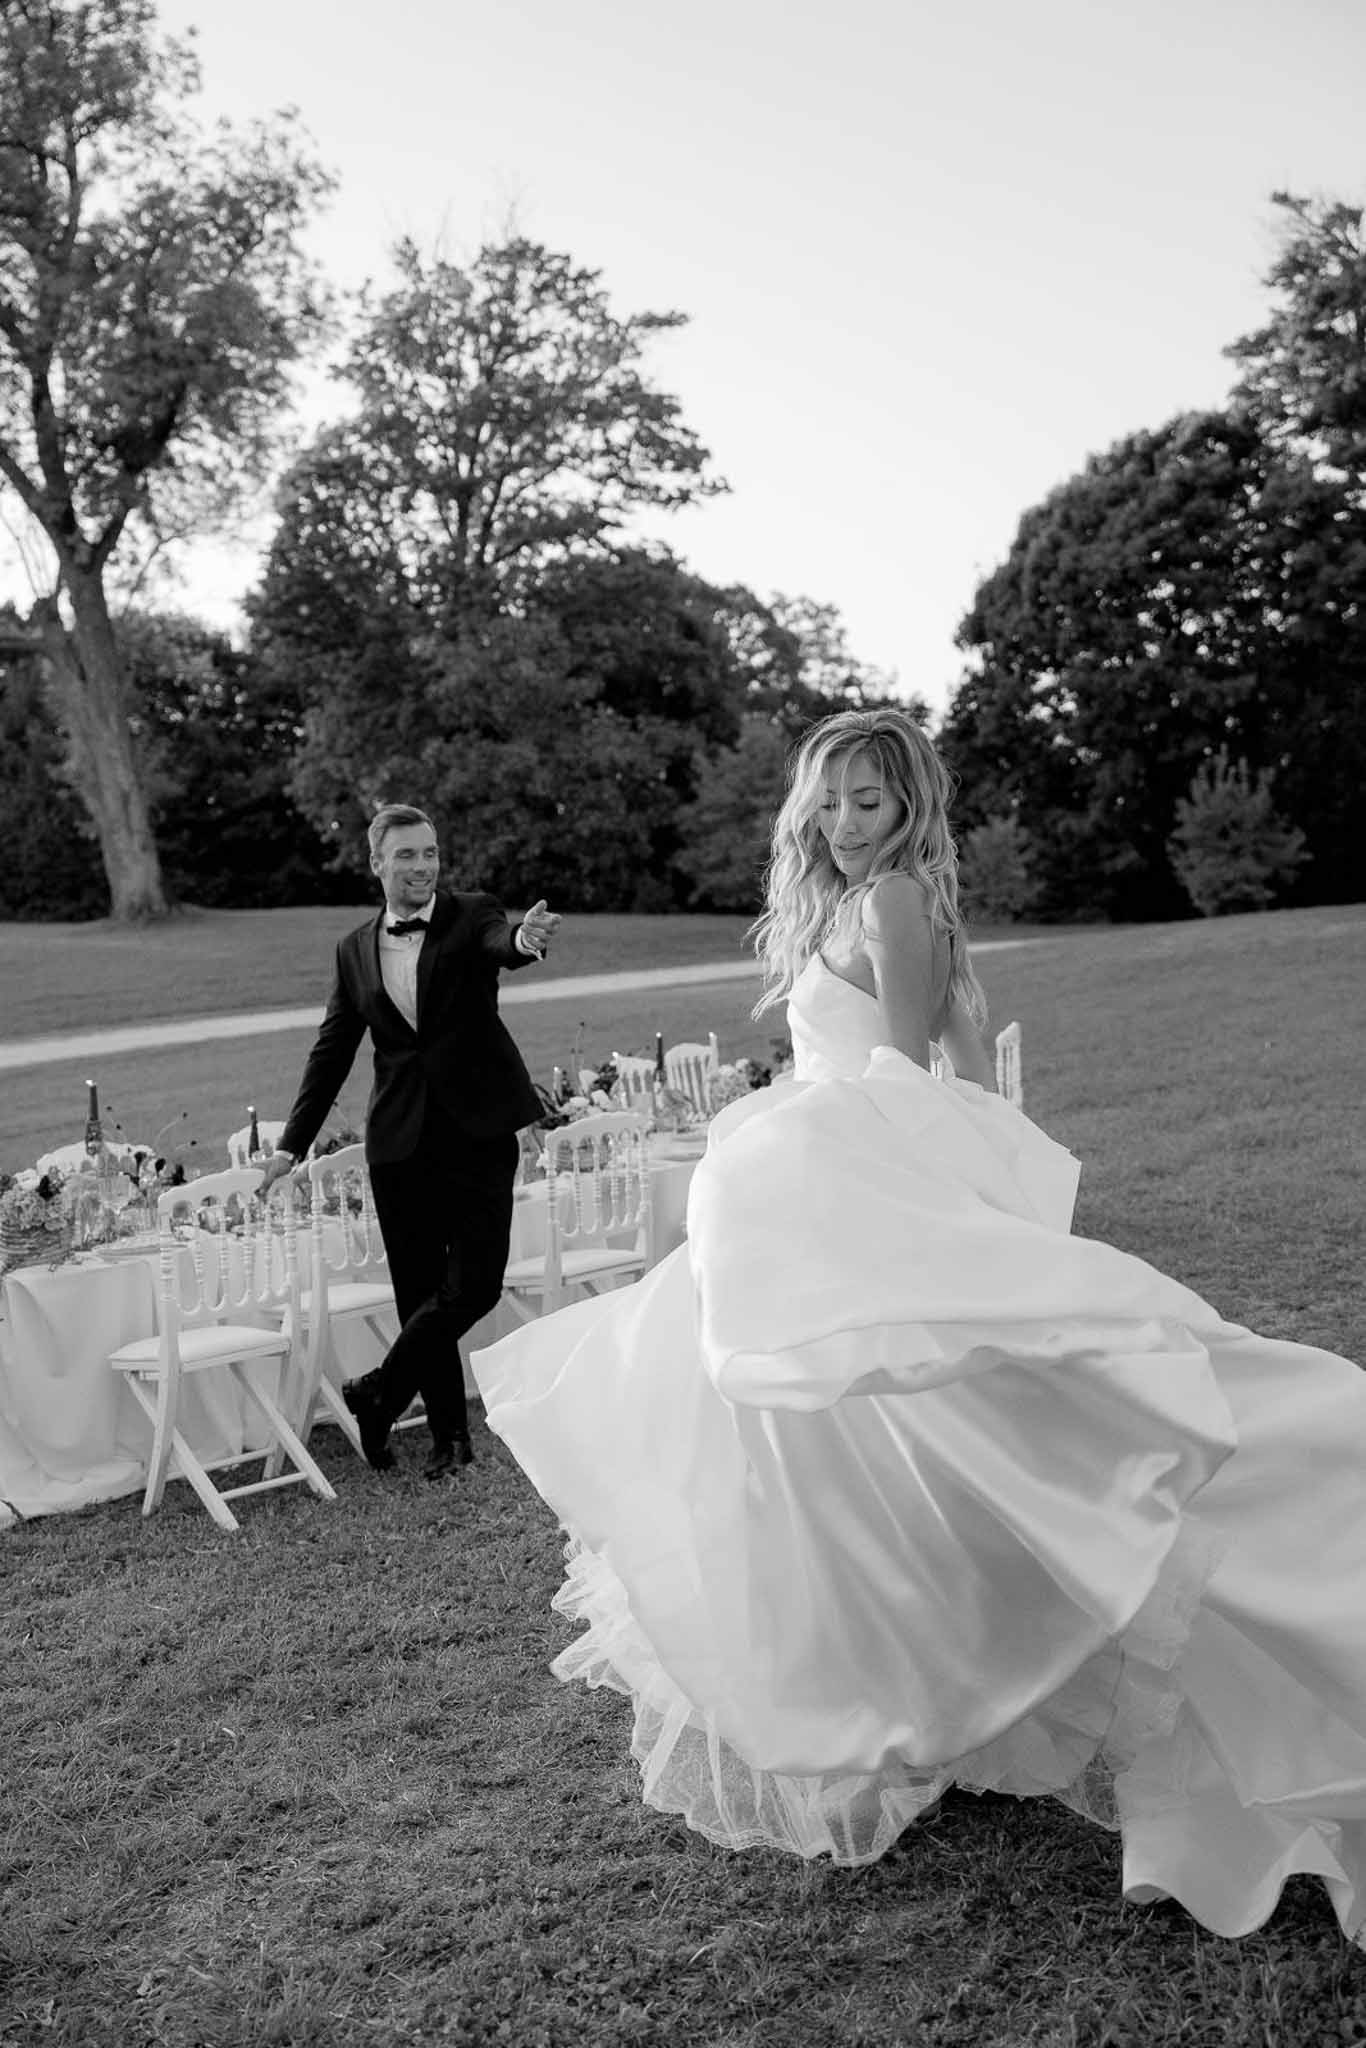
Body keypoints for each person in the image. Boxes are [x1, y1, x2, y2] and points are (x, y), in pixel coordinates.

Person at [471, 708, 1366, 1950]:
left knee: (976, 1435)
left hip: (855, 1197)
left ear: (909, 812)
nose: (844, 823)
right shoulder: (842, 908)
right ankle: (900, 1688)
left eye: (870, 804)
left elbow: (906, 1081)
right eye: (829, 799)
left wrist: (806, 1157)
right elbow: (951, 1062)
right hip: (828, 1204)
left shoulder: (894, 905)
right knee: (850, 1453)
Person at [262, 803, 560, 1478]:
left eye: (429, 853)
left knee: (475, 1286)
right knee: (419, 1292)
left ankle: (380, 1392)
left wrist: (526, 940)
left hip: (480, 1131)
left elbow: (501, 947)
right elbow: (332, 1051)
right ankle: (449, 1438)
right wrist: (290, 1146)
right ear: (377, 863)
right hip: (400, 1145)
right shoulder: (353, 950)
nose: (423, 865)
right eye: (406, 855)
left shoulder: (471, 913)